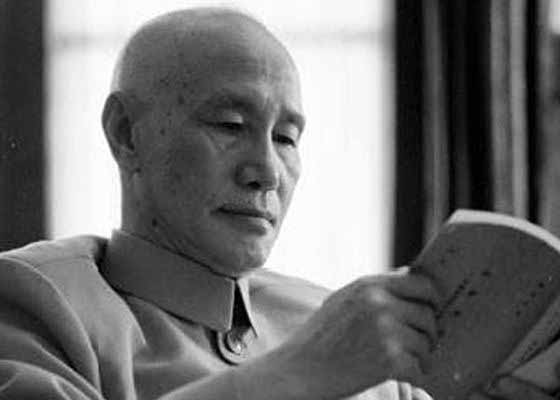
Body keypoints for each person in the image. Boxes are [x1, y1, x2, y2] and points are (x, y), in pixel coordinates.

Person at [0, 7, 554, 400]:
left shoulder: (342, 326)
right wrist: (296, 373)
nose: (266, 171)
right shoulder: (37, 301)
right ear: (126, 134)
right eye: (230, 125)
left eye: (286, 138)